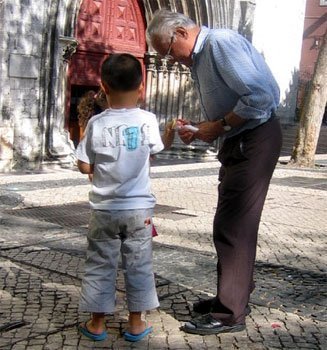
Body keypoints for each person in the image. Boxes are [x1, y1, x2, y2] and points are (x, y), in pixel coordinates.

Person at [146, 9, 282, 335]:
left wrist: (218, 125)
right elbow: (234, 102)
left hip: (253, 139)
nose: (170, 60)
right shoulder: (203, 55)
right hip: (239, 141)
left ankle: (229, 314)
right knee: (232, 225)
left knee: (233, 227)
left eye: (167, 51)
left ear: (180, 32)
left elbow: (262, 96)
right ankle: (232, 298)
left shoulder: (219, 44)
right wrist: (202, 128)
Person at [76, 53, 164, 342]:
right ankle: (136, 324)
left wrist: (95, 169)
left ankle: (97, 324)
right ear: (142, 87)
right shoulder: (148, 120)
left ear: (103, 85)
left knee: (101, 263)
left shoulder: (96, 123)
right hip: (140, 209)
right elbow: (155, 150)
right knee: (139, 263)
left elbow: (84, 164)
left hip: (105, 209)